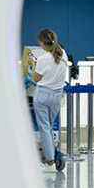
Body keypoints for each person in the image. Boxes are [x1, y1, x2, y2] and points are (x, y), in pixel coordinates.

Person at [30, 28, 68, 172]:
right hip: (57, 95)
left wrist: (32, 63)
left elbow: (36, 78)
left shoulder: (43, 59)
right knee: (49, 127)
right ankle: (52, 153)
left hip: (43, 95)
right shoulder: (62, 54)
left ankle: (50, 158)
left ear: (41, 42)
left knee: (44, 129)